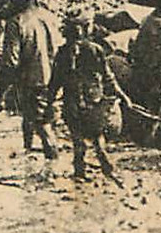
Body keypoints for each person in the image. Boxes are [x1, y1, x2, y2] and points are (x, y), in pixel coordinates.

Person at [43, 10, 131, 183]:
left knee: (77, 138)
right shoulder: (95, 50)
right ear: (86, 28)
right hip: (93, 100)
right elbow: (108, 77)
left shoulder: (62, 52)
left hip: (72, 101)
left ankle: (80, 171)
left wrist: (49, 102)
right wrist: (123, 96)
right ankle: (105, 163)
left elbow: (55, 81)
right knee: (97, 135)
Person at [0, 0, 61, 159]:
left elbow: (10, 62)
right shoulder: (49, 16)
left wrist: (0, 92)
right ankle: (28, 151)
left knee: (42, 124)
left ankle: (53, 165)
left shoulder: (16, 23)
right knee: (34, 116)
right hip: (54, 77)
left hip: (32, 80)